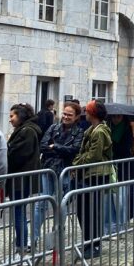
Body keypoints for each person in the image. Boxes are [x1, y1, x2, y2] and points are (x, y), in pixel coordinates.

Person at [37, 102, 85, 248]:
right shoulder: (53, 127)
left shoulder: (79, 132)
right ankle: (33, 237)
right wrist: (59, 149)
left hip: (65, 170)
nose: (65, 117)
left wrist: (55, 146)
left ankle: (57, 234)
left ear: (76, 117)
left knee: (61, 204)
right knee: (42, 203)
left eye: (69, 115)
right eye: (64, 113)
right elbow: (43, 146)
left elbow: (74, 150)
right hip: (49, 168)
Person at [73, 100, 115, 256]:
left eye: (87, 111)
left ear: (92, 114)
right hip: (91, 172)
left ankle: (94, 244)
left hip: (97, 173)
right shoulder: (93, 129)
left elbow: (94, 155)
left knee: (92, 210)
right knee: (84, 209)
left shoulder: (99, 131)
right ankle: (89, 241)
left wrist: (77, 163)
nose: (85, 113)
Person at [6, 103, 43, 261]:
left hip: (21, 178)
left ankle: (21, 249)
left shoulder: (27, 131)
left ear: (20, 116)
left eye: (12, 116)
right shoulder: (25, 130)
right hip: (22, 178)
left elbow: (19, 154)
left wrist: (7, 148)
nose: (10, 119)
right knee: (19, 212)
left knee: (19, 213)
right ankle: (20, 247)